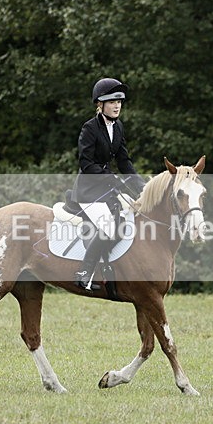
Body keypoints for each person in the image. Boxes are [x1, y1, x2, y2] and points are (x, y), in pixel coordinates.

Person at [72, 78, 145, 291]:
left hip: (105, 188)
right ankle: (84, 273)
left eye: (119, 102)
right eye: (112, 102)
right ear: (100, 105)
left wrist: (141, 186)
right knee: (108, 227)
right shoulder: (90, 128)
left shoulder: (118, 127)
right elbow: (86, 163)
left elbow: (124, 161)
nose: (117, 106)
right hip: (88, 190)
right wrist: (110, 177)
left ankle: (108, 269)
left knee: (123, 226)